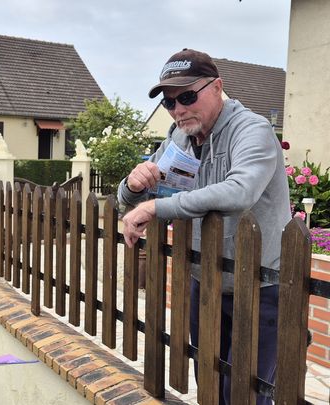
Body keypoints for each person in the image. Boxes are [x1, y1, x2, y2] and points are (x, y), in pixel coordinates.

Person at [118, 49, 290, 404]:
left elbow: (240, 190)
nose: (179, 109)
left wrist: (156, 205)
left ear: (217, 87)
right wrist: (134, 186)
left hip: (262, 286)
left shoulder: (251, 130)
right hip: (206, 282)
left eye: (187, 96)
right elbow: (135, 199)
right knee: (209, 385)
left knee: (245, 394)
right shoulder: (179, 137)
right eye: (169, 103)